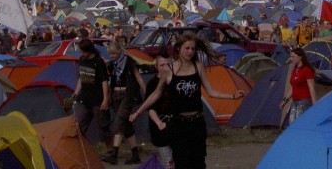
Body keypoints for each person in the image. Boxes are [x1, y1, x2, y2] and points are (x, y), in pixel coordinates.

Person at [129, 33, 244, 169]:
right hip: (178, 125)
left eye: (193, 49)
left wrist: (232, 96)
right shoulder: (168, 70)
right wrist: (138, 112)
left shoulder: (198, 66)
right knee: (181, 162)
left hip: (197, 122)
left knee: (198, 162)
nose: (190, 52)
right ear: (178, 49)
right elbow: (155, 94)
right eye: (187, 48)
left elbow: (211, 91)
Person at [101, 41, 145, 165]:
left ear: (120, 51)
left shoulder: (129, 61)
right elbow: (110, 81)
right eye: (110, 54)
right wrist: (108, 96)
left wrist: (147, 93)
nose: (113, 56)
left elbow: (138, 77)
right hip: (115, 95)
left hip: (127, 94)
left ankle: (114, 154)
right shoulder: (112, 64)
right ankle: (135, 154)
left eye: (114, 53)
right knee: (126, 125)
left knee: (119, 121)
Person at [72, 38, 111, 149]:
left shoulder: (98, 62)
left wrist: (105, 99)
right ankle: (81, 150)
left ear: (89, 50)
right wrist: (74, 95)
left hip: (97, 99)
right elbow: (81, 79)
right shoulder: (81, 60)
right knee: (78, 124)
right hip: (84, 98)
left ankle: (111, 150)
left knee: (103, 126)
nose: (81, 53)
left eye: (82, 51)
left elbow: (104, 81)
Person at [279, 48, 317, 125]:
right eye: (290, 57)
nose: (291, 59)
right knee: (292, 123)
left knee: (300, 123)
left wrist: (315, 105)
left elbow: (311, 88)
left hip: (304, 100)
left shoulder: (307, 70)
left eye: (293, 56)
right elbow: (293, 87)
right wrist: (285, 100)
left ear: (300, 57)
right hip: (295, 100)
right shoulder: (294, 69)